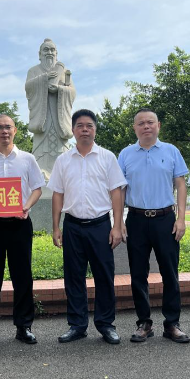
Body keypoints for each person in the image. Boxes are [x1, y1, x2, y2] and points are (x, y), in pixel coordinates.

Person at [48, 109, 127, 344]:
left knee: (104, 276)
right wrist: (56, 227)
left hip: (100, 225)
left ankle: (106, 324)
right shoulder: (63, 160)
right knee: (74, 277)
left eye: (89, 125)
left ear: (95, 130)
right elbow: (57, 194)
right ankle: (77, 325)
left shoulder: (107, 157)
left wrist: (117, 226)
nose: (85, 129)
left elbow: (116, 193)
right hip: (72, 226)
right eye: (80, 125)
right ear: (73, 130)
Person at [117, 108, 190, 343]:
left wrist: (181, 218)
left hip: (165, 219)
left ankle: (172, 323)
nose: (146, 126)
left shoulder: (171, 151)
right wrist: (118, 222)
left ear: (158, 125)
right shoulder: (126, 154)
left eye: (150, 122)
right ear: (134, 128)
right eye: (141, 123)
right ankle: (144, 323)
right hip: (136, 219)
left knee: (170, 272)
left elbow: (180, 184)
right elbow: (120, 190)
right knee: (138, 273)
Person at [0, 114, 45, 347]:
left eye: (8, 127)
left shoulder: (27, 159)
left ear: (15, 130)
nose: (4, 131)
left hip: (20, 223)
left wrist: (26, 206)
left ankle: (24, 327)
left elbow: (37, 188)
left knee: (22, 275)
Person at [25, 38, 76, 178]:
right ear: (39, 54)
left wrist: (59, 89)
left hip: (59, 120)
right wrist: (44, 79)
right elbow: (28, 88)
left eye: (52, 50)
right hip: (42, 119)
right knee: (41, 150)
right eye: (46, 50)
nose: (49, 52)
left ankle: (62, 173)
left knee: (61, 152)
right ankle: (40, 172)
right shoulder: (33, 71)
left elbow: (72, 92)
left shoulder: (63, 71)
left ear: (56, 54)